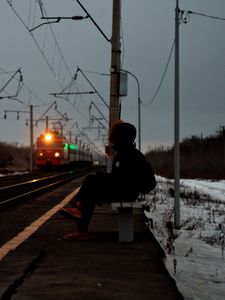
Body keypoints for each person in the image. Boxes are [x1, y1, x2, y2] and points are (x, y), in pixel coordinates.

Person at [60, 120, 156, 240]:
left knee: (91, 182)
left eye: (113, 133)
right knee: (91, 185)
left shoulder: (129, 154)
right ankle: (79, 210)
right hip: (124, 190)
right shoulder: (125, 152)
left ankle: (80, 217)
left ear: (120, 136)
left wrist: (103, 177)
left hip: (126, 193)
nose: (110, 136)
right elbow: (120, 177)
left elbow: (124, 179)